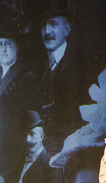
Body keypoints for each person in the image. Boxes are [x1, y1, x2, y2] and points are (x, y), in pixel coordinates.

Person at [0, 14, 40, 178]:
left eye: (8, 45)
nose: (3, 49)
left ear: (17, 47)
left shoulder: (26, 76)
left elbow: (31, 115)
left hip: (13, 146)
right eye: (0, 44)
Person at [38, 0, 98, 155]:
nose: (47, 31)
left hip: (72, 150)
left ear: (67, 29)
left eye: (53, 24)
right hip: (40, 150)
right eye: (43, 25)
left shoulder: (85, 64)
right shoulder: (35, 66)